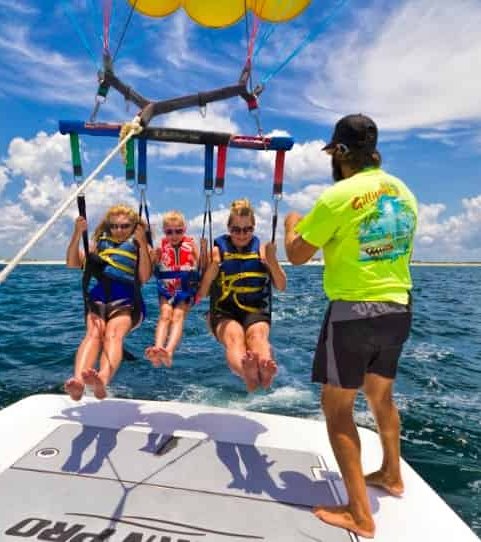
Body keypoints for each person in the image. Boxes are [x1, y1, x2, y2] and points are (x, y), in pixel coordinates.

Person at [284, 114, 418, 539]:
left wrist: (292, 226)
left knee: (337, 410)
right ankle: (392, 474)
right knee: (381, 395)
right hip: (399, 307)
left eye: (333, 153)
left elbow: (299, 255)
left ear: (339, 152)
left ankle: (360, 514)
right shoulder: (405, 192)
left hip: (353, 314)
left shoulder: (338, 196)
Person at [197, 198, 287, 392]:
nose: (242, 235)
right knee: (235, 337)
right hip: (223, 312)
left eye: (247, 229)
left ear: (253, 228)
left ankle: (265, 367)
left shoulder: (262, 251)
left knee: (257, 337)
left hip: (255, 309)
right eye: (236, 229)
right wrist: (211, 270)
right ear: (229, 228)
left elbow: (281, 285)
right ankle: (246, 372)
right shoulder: (217, 251)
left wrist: (272, 261)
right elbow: (202, 294)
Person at [65, 203, 152, 400]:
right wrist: (77, 234)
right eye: (114, 226)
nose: (119, 230)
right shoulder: (101, 245)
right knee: (94, 334)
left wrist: (143, 243)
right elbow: (72, 263)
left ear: (134, 227)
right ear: (108, 227)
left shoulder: (141, 247)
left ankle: (102, 379)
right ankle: (79, 381)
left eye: (124, 226)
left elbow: (145, 277)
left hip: (128, 301)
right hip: (99, 298)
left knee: (113, 335)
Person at [145, 210, 207, 367]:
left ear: (184, 230)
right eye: (169, 232)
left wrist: (203, 250)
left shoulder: (190, 244)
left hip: (186, 288)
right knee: (165, 315)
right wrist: (153, 257)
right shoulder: (161, 246)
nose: (174, 235)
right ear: (164, 232)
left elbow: (201, 266)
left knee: (178, 315)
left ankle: (169, 351)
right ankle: (158, 348)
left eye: (178, 231)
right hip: (167, 287)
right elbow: (153, 268)